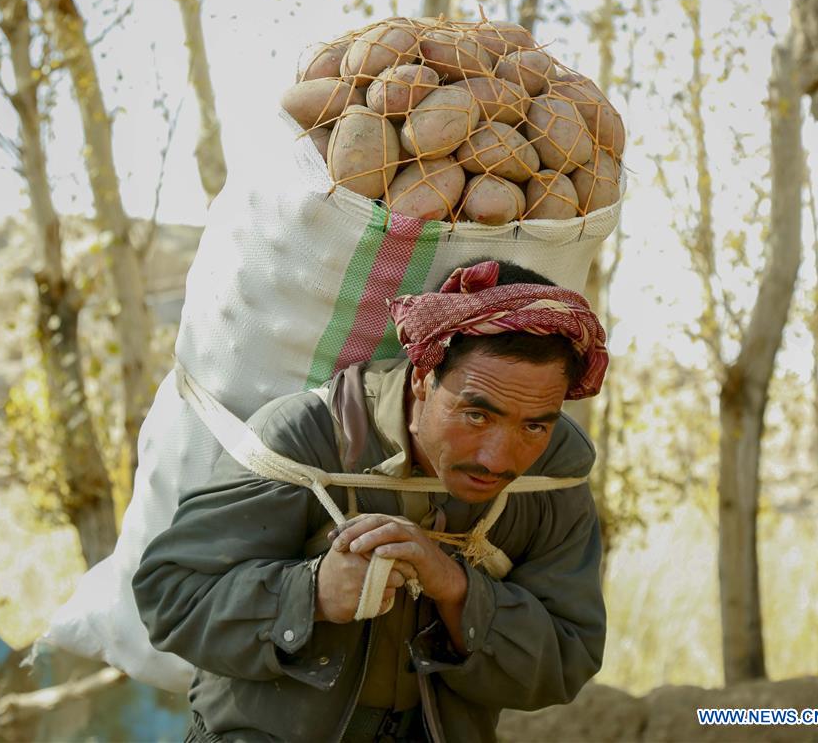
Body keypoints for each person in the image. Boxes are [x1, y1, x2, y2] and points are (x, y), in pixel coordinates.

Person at [133, 259, 608, 743]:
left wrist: (456, 589)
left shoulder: (554, 474)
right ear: (422, 378)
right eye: (477, 417)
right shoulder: (307, 442)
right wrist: (312, 593)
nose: (498, 459)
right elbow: (172, 600)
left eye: (535, 426)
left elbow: (566, 662)